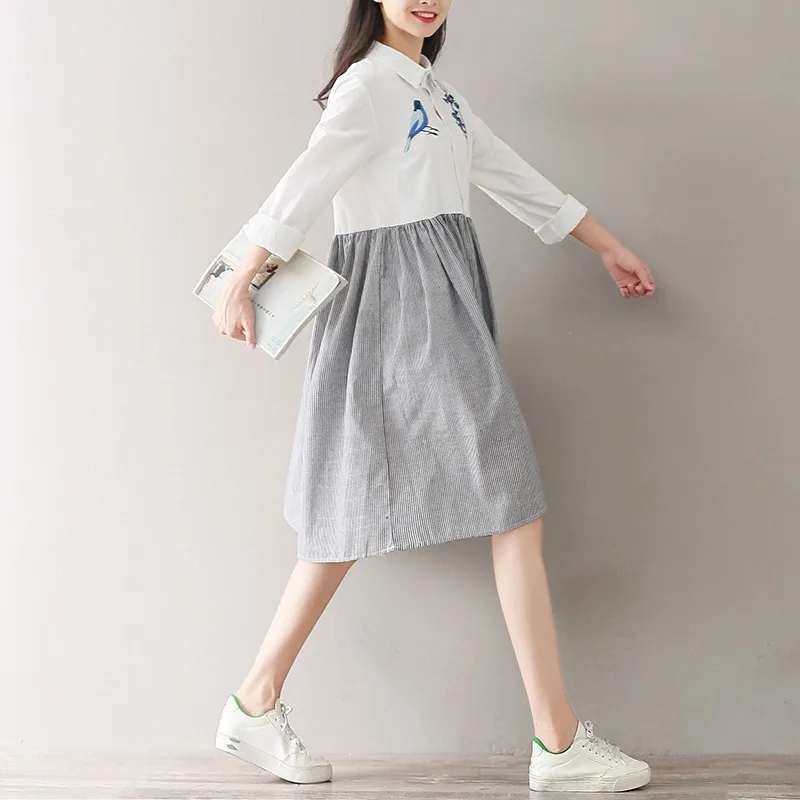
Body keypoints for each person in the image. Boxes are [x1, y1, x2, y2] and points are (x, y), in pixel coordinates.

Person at [211, 0, 656, 793]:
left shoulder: (435, 93)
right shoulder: (367, 87)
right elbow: (301, 186)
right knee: (507, 499)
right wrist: (241, 278)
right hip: (400, 304)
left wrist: (607, 246)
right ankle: (557, 744)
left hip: (437, 298)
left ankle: (255, 700)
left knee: (359, 503)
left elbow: (514, 176)